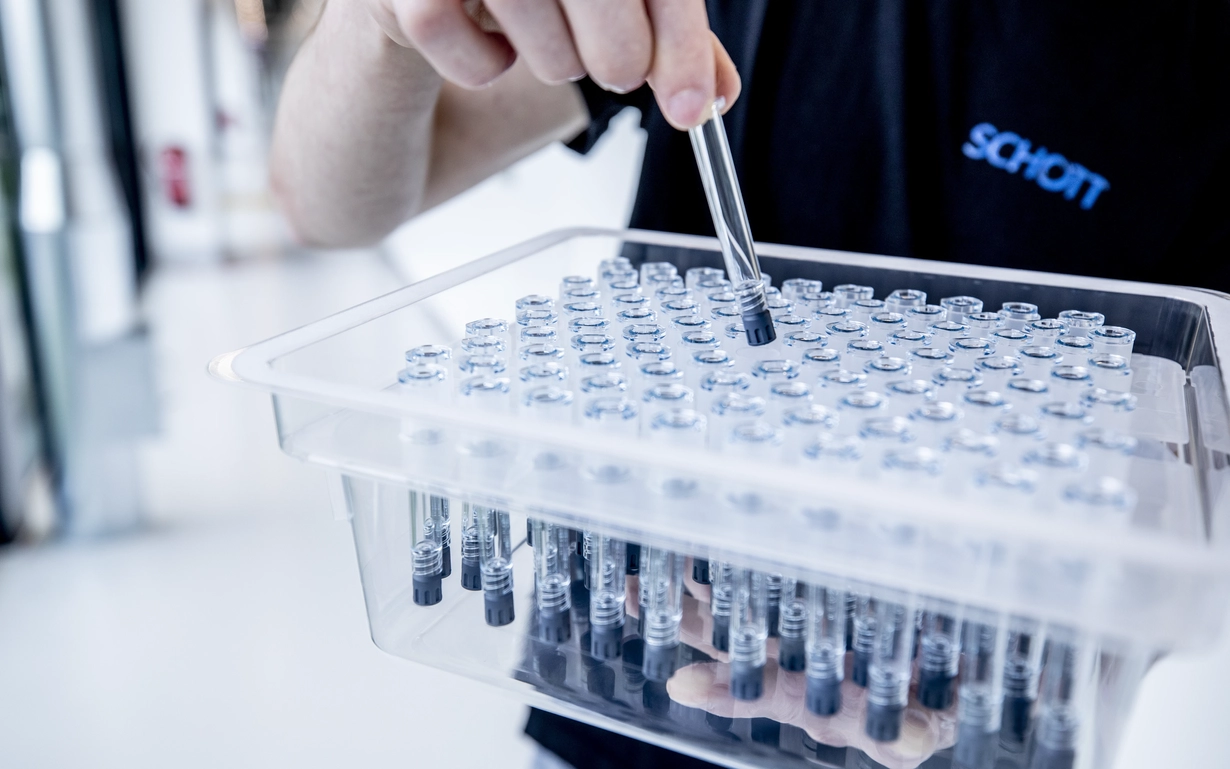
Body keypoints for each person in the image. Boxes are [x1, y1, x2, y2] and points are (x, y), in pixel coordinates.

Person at [271, 2, 1230, 767]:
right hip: (618, 677)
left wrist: (1024, 642)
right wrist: (375, 25)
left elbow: (1194, 474)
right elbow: (325, 203)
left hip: (968, 725)